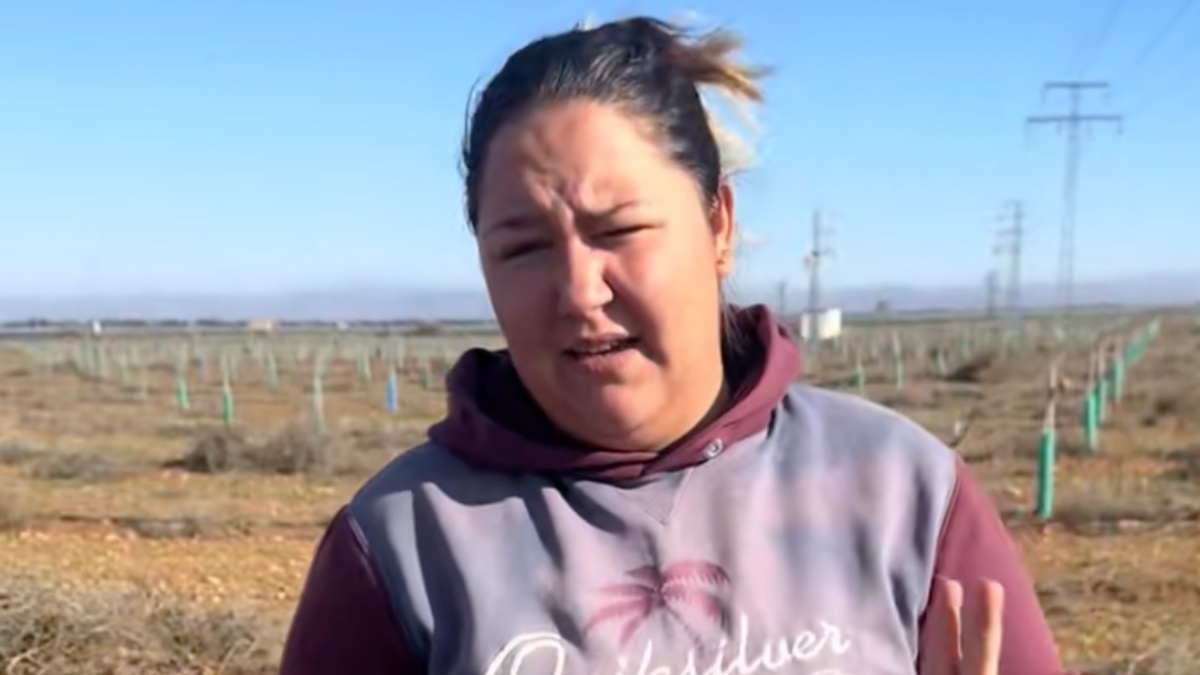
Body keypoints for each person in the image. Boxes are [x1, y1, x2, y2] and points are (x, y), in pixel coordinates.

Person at [280, 16, 1068, 675]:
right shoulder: (403, 543)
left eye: (620, 230)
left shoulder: (902, 491)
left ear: (718, 225)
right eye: (523, 247)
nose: (579, 290)